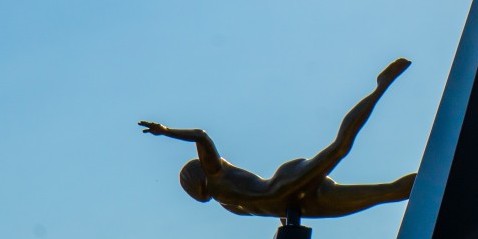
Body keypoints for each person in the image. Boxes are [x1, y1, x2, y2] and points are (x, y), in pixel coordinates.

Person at [138, 58, 416, 218]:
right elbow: (266, 209)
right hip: (299, 203)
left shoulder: (216, 179)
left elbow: (201, 136)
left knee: (341, 147)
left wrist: (166, 131)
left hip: (288, 186)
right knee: (387, 193)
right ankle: (437, 179)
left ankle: (380, 87)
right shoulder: (226, 200)